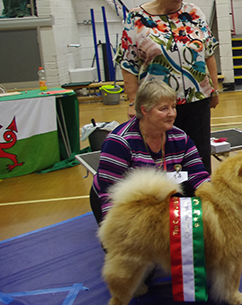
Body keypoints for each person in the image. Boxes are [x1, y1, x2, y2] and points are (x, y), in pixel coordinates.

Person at [114, 0, 220, 174]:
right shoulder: (137, 18)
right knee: (165, 160)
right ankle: (167, 204)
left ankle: (197, 202)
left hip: (197, 100)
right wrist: (133, 101)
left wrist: (214, 89)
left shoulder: (194, 13)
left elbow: (208, 53)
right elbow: (128, 63)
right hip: (157, 105)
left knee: (199, 157)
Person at [89, 81, 210, 225]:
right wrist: (114, 230)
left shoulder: (181, 138)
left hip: (160, 200)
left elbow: (199, 175)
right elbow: (109, 193)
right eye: (164, 108)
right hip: (125, 204)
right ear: (144, 110)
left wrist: (216, 199)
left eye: (173, 107)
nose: (172, 114)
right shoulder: (119, 142)